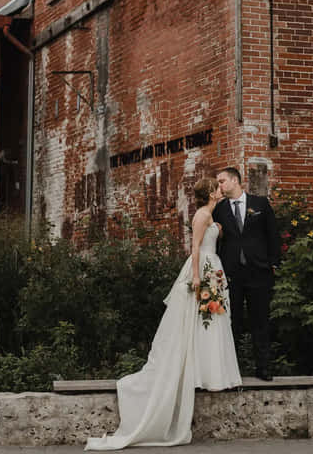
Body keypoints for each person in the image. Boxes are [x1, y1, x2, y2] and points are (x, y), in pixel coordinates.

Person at [85, 177, 240, 450]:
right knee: (199, 320)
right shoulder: (202, 215)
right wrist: (196, 277)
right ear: (210, 193)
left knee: (211, 320)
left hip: (213, 268)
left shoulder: (211, 215)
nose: (220, 189)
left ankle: (211, 372)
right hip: (203, 268)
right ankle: (199, 372)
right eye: (217, 187)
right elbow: (195, 248)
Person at [212, 167, 281, 381]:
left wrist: (274, 263)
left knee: (260, 320)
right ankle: (232, 371)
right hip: (231, 273)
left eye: (222, 181)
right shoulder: (220, 209)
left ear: (235, 180)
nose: (219, 185)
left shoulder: (260, 204)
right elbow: (214, 240)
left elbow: (273, 234)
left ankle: (264, 367)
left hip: (259, 271)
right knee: (231, 322)